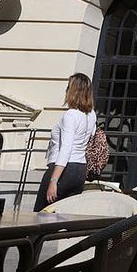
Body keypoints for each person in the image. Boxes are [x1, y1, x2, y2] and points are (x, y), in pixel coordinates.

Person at [35, 72, 96, 211]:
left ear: (73, 91)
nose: (66, 91)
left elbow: (66, 148)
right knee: (65, 216)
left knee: (42, 214)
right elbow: (91, 136)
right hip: (80, 170)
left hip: (64, 169)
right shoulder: (91, 114)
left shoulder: (70, 115)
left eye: (68, 88)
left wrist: (54, 181)